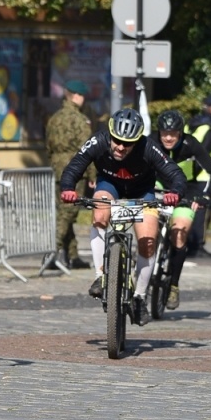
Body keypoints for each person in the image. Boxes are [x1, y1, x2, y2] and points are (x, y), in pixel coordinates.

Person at [57, 106, 188, 324]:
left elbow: (176, 173)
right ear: (110, 134)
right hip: (110, 185)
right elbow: (75, 165)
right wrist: (68, 188)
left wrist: (175, 192)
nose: (120, 147)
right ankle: (100, 277)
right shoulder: (98, 140)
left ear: (137, 141)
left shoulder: (148, 147)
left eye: (127, 143)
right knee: (100, 214)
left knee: (148, 240)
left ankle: (139, 297)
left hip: (142, 192)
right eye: (116, 140)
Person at [152, 109, 211, 308]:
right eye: (164, 133)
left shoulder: (191, 144)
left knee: (179, 234)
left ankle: (173, 285)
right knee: (147, 227)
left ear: (180, 133)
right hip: (157, 187)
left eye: (173, 134)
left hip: (186, 190)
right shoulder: (150, 142)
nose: (168, 138)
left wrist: (205, 196)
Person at [46, 81, 94, 269]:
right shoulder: (80, 120)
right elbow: (87, 149)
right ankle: (51, 252)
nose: (84, 99)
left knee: (65, 211)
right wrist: (92, 175)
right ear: (75, 96)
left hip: (57, 168)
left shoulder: (54, 118)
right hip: (75, 170)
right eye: (82, 95)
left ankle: (73, 256)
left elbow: (48, 147)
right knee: (67, 213)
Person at [184, 95, 211, 254]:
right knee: (202, 210)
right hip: (206, 175)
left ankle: (187, 243)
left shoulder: (191, 125)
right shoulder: (210, 127)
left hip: (188, 173)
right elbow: (204, 153)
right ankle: (197, 245)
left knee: (189, 208)